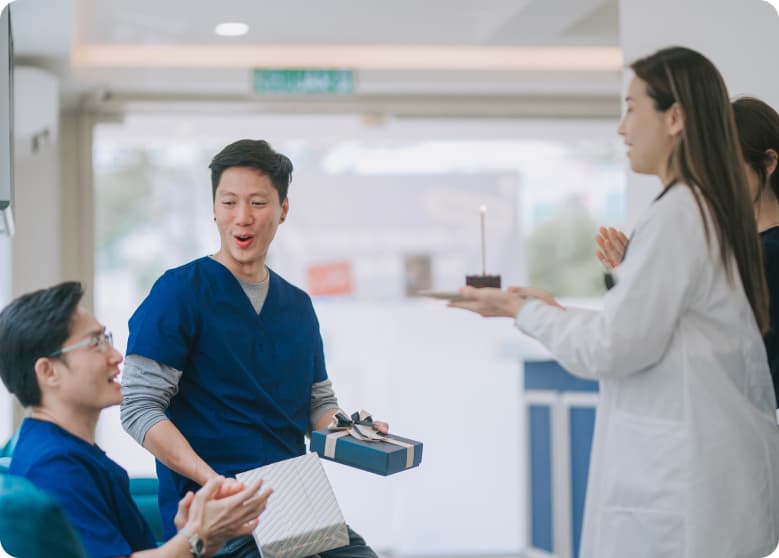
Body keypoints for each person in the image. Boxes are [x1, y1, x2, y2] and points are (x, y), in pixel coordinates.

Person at [450, 46, 779, 558]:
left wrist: (523, 311)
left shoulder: (682, 215)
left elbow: (613, 348)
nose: (622, 129)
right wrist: (552, 313)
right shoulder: (694, 209)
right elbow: (653, 335)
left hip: (684, 496)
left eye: (631, 108)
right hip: (698, 487)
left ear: (674, 117)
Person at [120, 139, 385, 558]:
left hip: (298, 504)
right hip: (217, 517)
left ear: (282, 209)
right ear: (213, 208)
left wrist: (355, 432)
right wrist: (213, 481)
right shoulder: (178, 293)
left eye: (258, 203)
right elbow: (138, 408)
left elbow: (318, 403)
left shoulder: (297, 305)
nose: (242, 218)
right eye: (228, 202)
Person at [0, 282, 272, 558]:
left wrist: (197, 537)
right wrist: (196, 537)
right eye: (96, 343)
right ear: (48, 371)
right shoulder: (56, 467)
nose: (117, 356)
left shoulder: (53, 447)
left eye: (107, 338)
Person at [597, 96, 779, 406]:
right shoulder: (733, 248)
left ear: (768, 163)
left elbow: (712, 346)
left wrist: (640, 276)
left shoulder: (768, 254)